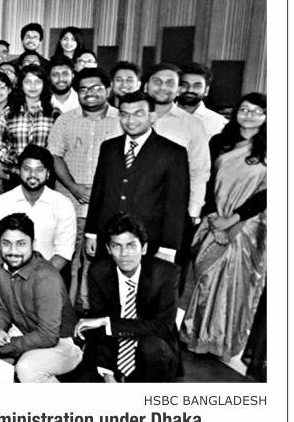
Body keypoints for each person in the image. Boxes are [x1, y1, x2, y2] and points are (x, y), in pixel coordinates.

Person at [183, 93, 266, 362]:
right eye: (244, 109)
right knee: (206, 278)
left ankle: (222, 341)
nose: (249, 115)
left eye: (257, 111)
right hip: (213, 220)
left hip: (247, 226)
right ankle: (196, 335)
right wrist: (213, 218)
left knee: (236, 285)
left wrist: (232, 221)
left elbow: (268, 193)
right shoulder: (219, 142)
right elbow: (205, 180)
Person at [0, 212, 82, 382]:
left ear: (33, 243)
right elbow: (1, 307)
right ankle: (10, 369)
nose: (13, 252)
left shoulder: (46, 276)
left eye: (21, 244)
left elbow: (48, 335)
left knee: (27, 369)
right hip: (21, 328)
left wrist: (1, 349)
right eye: (6, 243)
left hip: (62, 342)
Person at [49, 68, 124, 307]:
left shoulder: (122, 119)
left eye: (95, 88)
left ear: (108, 89)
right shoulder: (65, 120)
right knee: (68, 261)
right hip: (70, 203)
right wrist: (73, 187)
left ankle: (92, 309)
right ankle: (67, 310)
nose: (89, 93)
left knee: (101, 263)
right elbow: (55, 156)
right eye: (83, 89)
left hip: (108, 207)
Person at [84, 91, 188, 262]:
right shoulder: (108, 147)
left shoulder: (173, 153)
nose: (130, 121)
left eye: (138, 114)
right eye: (125, 114)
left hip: (149, 241)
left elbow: (176, 204)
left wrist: (168, 248)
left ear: (152, 117)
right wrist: (91, 232)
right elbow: (98, 191)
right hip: (108, 238)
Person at [77, 213, 180, 382]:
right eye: (116, 246)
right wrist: (107, 373)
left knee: (151, 348)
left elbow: (163, 326)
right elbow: (100, 326)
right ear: (108, 249)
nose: (124, 253)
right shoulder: (98, 272)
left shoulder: (165, 273)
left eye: (131, 245)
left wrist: (107, 322)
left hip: (152, 346)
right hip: (113, 344)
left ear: (144, 248)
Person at [0, 145, 76, 272]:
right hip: (7, 275)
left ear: (48, 173)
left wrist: (36, 278)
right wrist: (10, 277)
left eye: (39, 170)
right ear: (19, 171)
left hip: (47, 275)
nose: (33, 175)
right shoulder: (2, 203)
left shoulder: (62, 204)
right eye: (27, 169)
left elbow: (63, 253)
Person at [143, 63, 211, 222]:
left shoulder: (193, 125)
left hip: (172, 207)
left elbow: (199, 171)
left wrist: (193, 211)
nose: (163, 87)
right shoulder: (128, 119)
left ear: (179, 89)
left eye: (170, 83)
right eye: (157, 82)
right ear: (146, 86)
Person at [0, 65, 56, 189]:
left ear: (44, 85)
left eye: (37, 82)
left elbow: (59, 147)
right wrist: (19, 159)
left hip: (44, 177)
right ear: (21, 85)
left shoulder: (54, 113)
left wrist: (42, 161)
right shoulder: (9, 113)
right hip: (15, 176)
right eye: (28, 82)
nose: (33, 86)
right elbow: (0, 145)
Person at [177, 62, 229, 140]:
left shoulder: (220, 124)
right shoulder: (160, 117)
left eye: (197, 86)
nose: (190, 90)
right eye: (184, 85)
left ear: (206, 90)